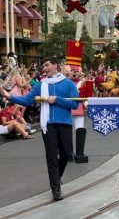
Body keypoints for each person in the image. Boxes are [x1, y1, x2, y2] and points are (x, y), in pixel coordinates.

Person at [0, 56, 79, 201]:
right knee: (51, 157)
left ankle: (56, 178)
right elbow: (26, 100)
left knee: (66, 154)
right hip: (47, 124)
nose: (45, 68)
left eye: (47, 65)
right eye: (44, 66)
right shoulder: (40, 85)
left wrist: (57, 100)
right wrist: (9, 96)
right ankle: (56, 188)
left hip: (64, 123)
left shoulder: (68, 84)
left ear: (55, 65)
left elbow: (74, 104)